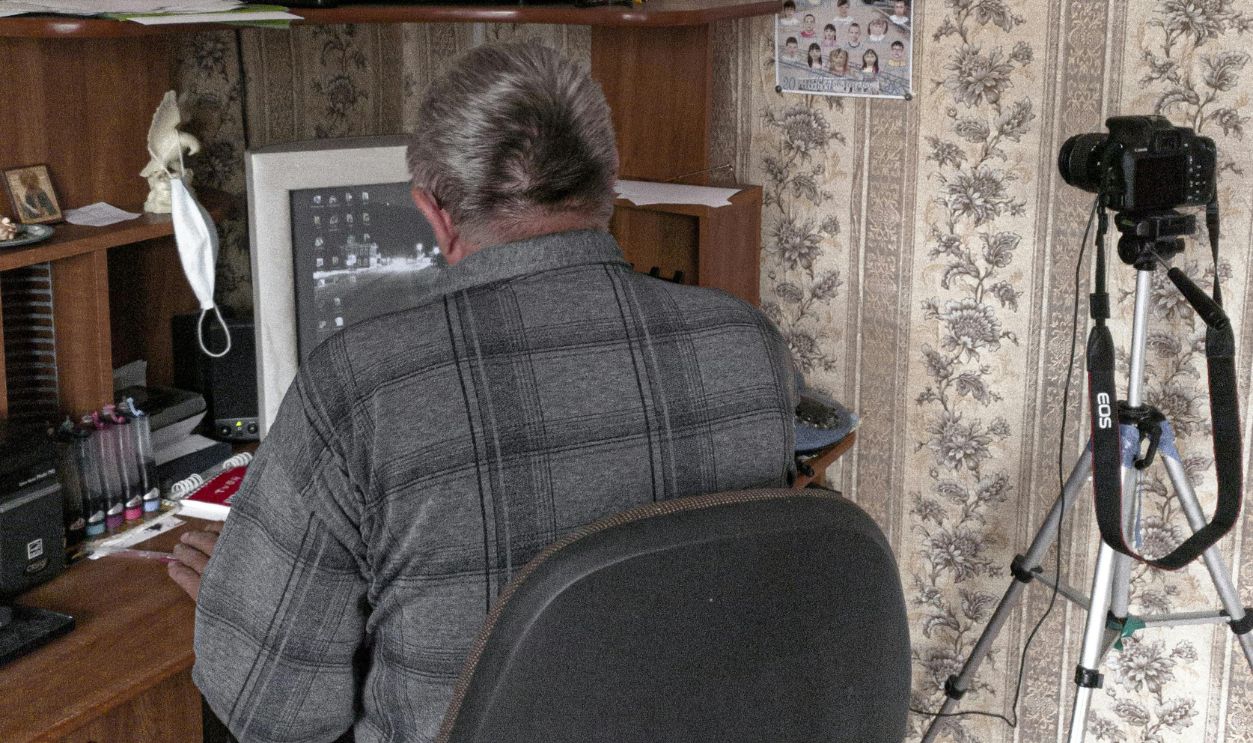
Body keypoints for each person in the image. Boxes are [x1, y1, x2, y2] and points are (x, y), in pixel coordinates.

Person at [175, 41, 797, 743]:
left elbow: (281, 713)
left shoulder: (358, 385)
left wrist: (245, 606)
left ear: (434, 211)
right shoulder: (749, 344)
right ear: (607, 184)